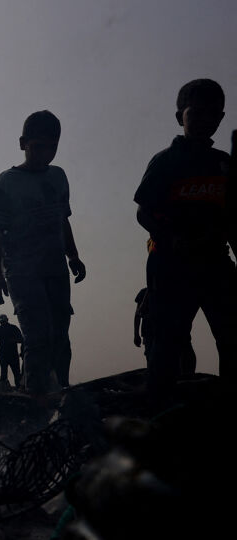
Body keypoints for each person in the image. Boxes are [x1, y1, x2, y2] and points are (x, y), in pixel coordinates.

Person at [133, 79, 235, 395]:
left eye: (212, 114)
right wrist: (171, 238)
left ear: (220, 118)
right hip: (170, 264)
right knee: (166, 342)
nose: (204, 119)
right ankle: (158, 410)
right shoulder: (166, 161)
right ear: (180, 117)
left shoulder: (224, 165)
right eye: (196, 112)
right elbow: (143, 212)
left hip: (216, 262)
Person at [0, 111, 86, 393]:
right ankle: (37, 401)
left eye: (52, 147)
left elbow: (62, 219)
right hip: (22, 270)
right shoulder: (6, 182)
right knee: (37, 336)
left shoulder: (58, 177)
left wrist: (73, 255)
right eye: (38, 146)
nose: (45, 153)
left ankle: (61, 396)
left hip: (55, 268)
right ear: (23, 144)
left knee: (60, 337)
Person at [0, 314, 23, 386]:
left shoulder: (9, 329)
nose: (3, 323)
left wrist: (13, 340)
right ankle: (14, 388)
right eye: (2, 322)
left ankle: (17, 388)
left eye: (3, 322)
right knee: (10, 375)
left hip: (10, 356)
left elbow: (21, 339)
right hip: (7, 356)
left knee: (14, 374)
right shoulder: (1, 330)